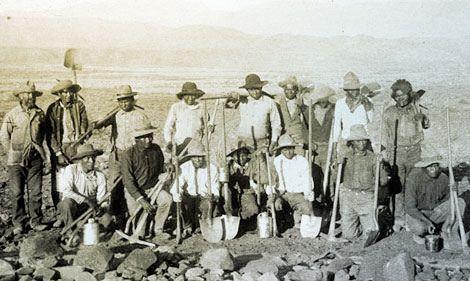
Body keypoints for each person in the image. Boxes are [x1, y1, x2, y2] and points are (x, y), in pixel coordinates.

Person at [94, 85, 150, 221]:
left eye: (126, 100)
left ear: (132, 100)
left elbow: (147, 135)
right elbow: (101, 124)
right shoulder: (116, 115)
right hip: (117, 155)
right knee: (115, 186)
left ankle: (136, 215)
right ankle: (117, 215)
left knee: (132, 184)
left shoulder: (140, 115)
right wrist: (96, 123)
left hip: (134, 156)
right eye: (121, 101)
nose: (124, 104)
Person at [0, 81, 50, 234]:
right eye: (27, 94)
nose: (31, 97)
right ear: (20, 97)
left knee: (36, 192)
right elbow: (4, 135)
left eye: (33, 95)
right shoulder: (12, 114)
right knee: (17, 193)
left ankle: (36, 221)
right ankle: (19, 223)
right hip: (15, 161)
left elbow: (44, 134)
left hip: (35, 159)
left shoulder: (40, 114)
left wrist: (43, 154)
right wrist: (11, 153)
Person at [383, 79, 430, 231]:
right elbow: (385, 134)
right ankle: (398, 217)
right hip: (396, 152)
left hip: (414, 152)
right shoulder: (389, 113)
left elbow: (426, 126)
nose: (400, 99)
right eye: (397, 97)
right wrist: (386, 154)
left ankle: (411, 217)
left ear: (409, 95)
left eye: (403, 96)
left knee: (412, 185)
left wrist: (422, 118)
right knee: (398, 185)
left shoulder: (417, 110)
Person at [120, 123, 173, 239]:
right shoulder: (128, 154)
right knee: (140, 231)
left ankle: (158, 230)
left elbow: (160, 167)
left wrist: (166, 166)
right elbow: (128, 181)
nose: (148, 140)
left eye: (150, 136)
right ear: (137, 139)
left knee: (167, 200)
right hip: (135, 191)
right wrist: (141, 200)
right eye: (144, 137)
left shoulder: (156, 149)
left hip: (154, 188)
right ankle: (140, 233)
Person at [339, 125, 389, 239]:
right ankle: (359, 224)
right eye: (358, 141)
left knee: (369, 236)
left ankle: (373, 220)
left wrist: (380, 166)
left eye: (364, 140)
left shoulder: (373, 158)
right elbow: (336, 179)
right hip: (349, 197)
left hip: (366, 198)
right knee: (348, 235)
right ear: (352, 142)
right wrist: (337, 165)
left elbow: (384, 180)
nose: (361, 143)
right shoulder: (345, 157)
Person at [46, 79, 89, 208]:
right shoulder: (53, 109)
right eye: (64, 92)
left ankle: (78, 209)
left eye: (70, 92)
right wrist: (58, 152)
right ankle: (60, 211)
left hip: (76, 146)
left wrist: (82, 137)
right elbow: (50, 134)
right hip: (61, 147)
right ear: (59, 94)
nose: (68, 95)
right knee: (60, 180)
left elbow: (84, 125)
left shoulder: (79, 106)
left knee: (78, 177)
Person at [405, 156, 465, 245]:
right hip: (418, 215)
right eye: (430, 166)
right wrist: (426, 221)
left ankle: (446, 231)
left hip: (434, 212)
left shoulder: (443, 178)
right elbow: (410, 208)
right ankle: (419, 235)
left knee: (460, 202)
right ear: (424, 168)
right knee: (419, 228)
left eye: (435, 165)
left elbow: (449, 200)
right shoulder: (414, 179)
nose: (433, 168)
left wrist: (454, 192)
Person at [170, 140, 220, 234]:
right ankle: (187, 226)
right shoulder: (184, 167)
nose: (197, 159)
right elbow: (177, 186)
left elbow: (215, 186)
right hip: (188, 197)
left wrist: (213, 196)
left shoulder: (211, 168)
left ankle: (204, 226)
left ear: (204, 157)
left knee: (208, 204)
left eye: (200, 157)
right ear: (190, 157)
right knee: (180, 204)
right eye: (194, 157)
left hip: (203, 197)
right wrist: (178, 194)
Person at [56, 144, 106, 229]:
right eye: (87, 158)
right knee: (66, 204)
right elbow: (66, 192)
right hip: (73, 206)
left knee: (107, 221)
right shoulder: (71, 170)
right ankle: (69, 230)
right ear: (81, 160)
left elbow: (102, 198)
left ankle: (81, 223)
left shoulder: (100, 175)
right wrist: (85, 200)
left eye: (93, 158)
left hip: (88, 209)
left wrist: (102, 207)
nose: (91, 161)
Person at [228, 74, 282, 153]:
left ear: (261, 88)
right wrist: (231, 96)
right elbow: (228, 104)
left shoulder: (269, 102)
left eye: (257, 89)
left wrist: (274, 140)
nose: (255, 92)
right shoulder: (242, 101)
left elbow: (276, 122)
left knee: (261, 163)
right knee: (245, 163)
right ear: (247, 90)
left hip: (262, 142)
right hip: (244, 141)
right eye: (251, 89)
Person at [270, 134, 313, 229]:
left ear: (294, 148)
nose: (288, 152)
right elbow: (271, 181)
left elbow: (307, 179)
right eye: (285, 150)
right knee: (275, 206)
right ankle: (285, 220)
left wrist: (307, 193)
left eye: (290, 149)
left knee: (307, 208)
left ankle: (297, 219)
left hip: (297, 194)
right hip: (281, 194)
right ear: (281, 151)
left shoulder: (302, 161)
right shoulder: (276, 161)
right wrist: (272, 193)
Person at [332, 72, 374, 162]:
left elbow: (372, 120)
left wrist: (367, 106)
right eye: (350, 90)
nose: (354, 92)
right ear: (346, 91)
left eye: (356, 89)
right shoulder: (340, 103)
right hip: (347, 140)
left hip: (363, 140)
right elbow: (337, 126)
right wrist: (334, 146)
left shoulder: (367, 101)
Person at [163, 82, 205, 154]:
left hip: (197, 145)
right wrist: (169, 141)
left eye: (193, 95)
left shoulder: (201, 107)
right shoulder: (176, 107)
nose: (190, 98)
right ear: (183, 96)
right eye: (187, 95)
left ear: (196, 95)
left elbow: (207, 123)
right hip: (181, 145)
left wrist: (210, 126)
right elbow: (168, 126)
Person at [226, 142, 258, 230]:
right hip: (231, 194)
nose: (241, 158)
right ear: (233, 156)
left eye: (243, 155)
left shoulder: (253, 165)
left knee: (253, 211)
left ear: (247, 155)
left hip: (247, 193)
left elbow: (257, 179)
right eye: (237, 156)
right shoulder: (229, 166)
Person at [277, 76, 308, 154]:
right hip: (284, 139)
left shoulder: (302, 103)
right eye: (287, 89)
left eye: (292, 89)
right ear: (284, 90)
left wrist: (303, 107)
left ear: (296, 90)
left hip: (299, 140)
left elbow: (307, 121)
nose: (290, 92)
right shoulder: (278, 103)